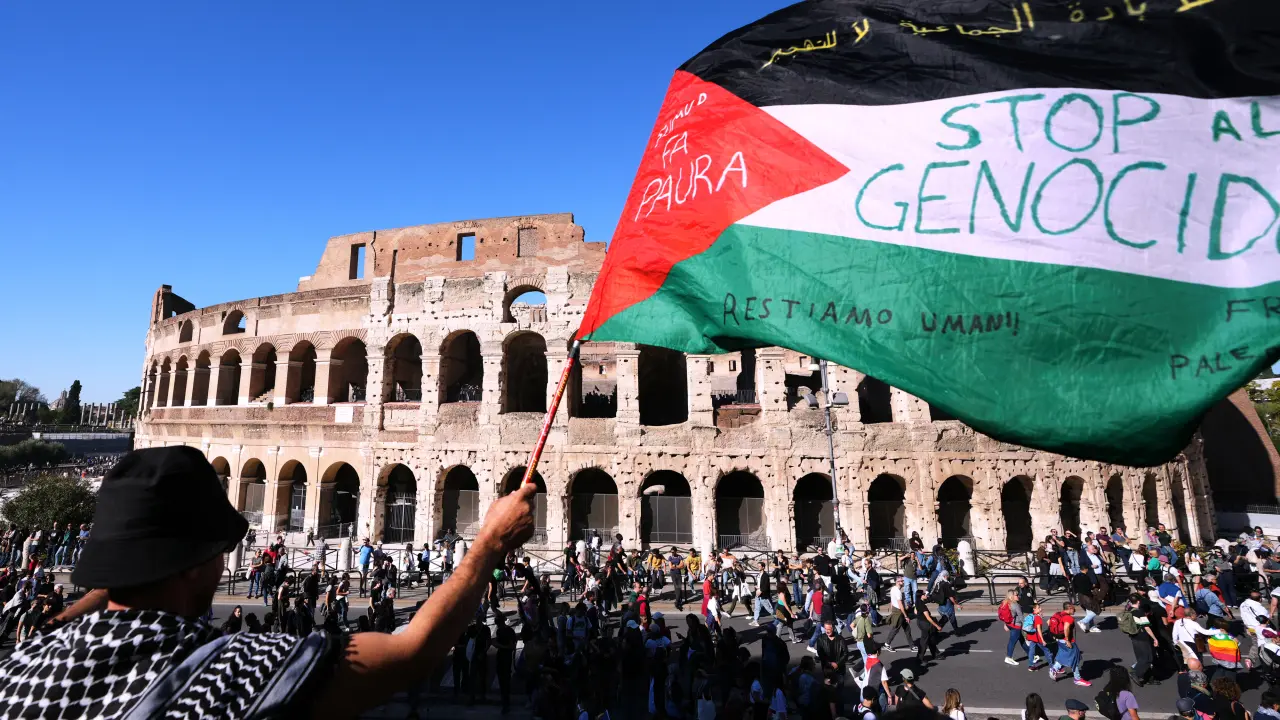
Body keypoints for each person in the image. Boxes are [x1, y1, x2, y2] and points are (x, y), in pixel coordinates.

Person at [0, 446, 538, 718]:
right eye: (218, 551)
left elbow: (108, 596)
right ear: (192, 562)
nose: (223, 561)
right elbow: (413, 652)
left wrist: (118, 566)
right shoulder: (230, 672)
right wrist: (489, 544)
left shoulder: (22, 667)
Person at [1118, 593, 1161, 686]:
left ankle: (1148, 678)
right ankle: (1135, 673)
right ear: (1138, 601)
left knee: (1141, 658)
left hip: (1134, 637)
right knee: (1148, 658)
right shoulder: (1139, 612)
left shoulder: (1128, 610)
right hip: (1142, 638)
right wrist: (1155, 638)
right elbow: (1146, 627)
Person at [1048, 602, 1091, 686]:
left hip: (1059, 640)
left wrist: (1055, 635)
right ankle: (1077, 679)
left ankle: (1054, 669)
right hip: (1067, 641)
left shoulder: (1057, 614)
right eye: (1073, 608)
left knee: (1063, 655)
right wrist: (1067, 640)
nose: (1075, 610)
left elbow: (1048, 622)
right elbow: (1066, 628)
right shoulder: (1069, 618)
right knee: (1075, 658)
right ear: (1069, 608)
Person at [884, 575, 916, 653]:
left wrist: (892, 609)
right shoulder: (898, 592)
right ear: (897, 582)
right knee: (895, 629)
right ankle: (887, 644)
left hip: (896, 610)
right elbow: (900, 604)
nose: (902, 582)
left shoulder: (893, 589)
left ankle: (912, 645)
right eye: (901, 581)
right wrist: (906, 616)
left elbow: (891, 601)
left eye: (902, 581)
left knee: (907, 629)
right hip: (899, 612)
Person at [914, 590, 942, 664]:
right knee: (924, 641)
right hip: (925, 624)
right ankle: (920, 658)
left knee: (931, 639)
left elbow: (915, 612)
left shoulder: (917, 601)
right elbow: (928, 618)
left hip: (920, 622)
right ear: (921, 596)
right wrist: (937, 626)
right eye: (925, 594)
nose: (926, 595)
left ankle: (935, 654)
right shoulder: (923, 605)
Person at [1000, 589, 1027, 665]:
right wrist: (1027, 626)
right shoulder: (1016, 605)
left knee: (1022, 640)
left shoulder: (1005, 602)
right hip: (1016, 626)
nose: (1018, 596)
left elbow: (1004, 615)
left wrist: (1005, 624)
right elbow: (1021, 617)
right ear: (1012, 596)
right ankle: (1008, 657)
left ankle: (1032, 655)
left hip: (1010, 624)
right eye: (1016, 595)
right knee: (1012, 642)